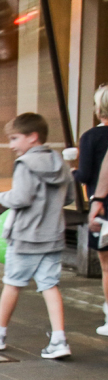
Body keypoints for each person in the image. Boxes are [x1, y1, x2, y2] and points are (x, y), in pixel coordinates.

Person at [0, 113, 74, 360]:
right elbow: (70, 197)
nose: (11, 145)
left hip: (26, 236)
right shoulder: (59, 162)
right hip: (53, 235)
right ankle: (59, 339)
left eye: (14, 138)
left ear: (33, 137)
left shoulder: (25, 164)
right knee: (50, 285)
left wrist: (1, 198)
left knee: (13, 283)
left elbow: (21, 198)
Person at [77, 85, 108, 335]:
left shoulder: (91, 137)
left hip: (103, 209)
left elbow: (86, 174)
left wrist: (71, 169)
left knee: (107, 266)